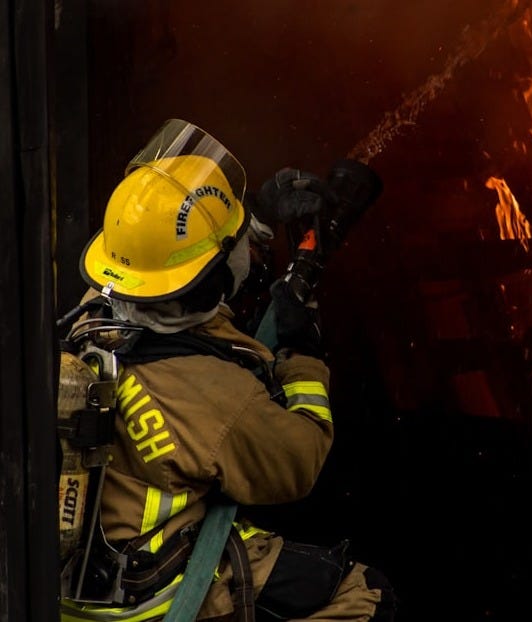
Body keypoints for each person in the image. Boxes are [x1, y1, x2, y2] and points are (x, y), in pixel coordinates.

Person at [58, 119, 396, 621]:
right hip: (152, 597)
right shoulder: (222, 400)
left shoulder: (92, 311)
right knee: (367, 594)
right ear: (207, 280)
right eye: (234, 239)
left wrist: (254, 213)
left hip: (75, 588)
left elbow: (174, 263)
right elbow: (299, 461)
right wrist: (303, 351)